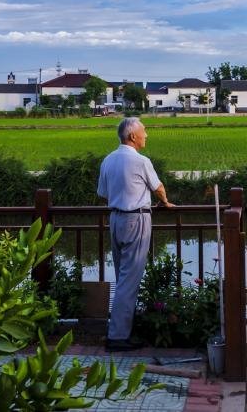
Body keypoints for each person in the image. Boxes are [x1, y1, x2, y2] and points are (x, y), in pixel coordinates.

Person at [97, 117, 173, 351]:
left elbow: (103, 192)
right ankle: (118, 337)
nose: (146, 135)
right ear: (132, 136)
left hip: (115, 219)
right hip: (136, 219)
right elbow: (158, 187)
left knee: (123, 276)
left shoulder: (108, 160)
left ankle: (119, 330)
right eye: (144, 131)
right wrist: (165, 202)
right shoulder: (141, 161)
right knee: (129, 280)